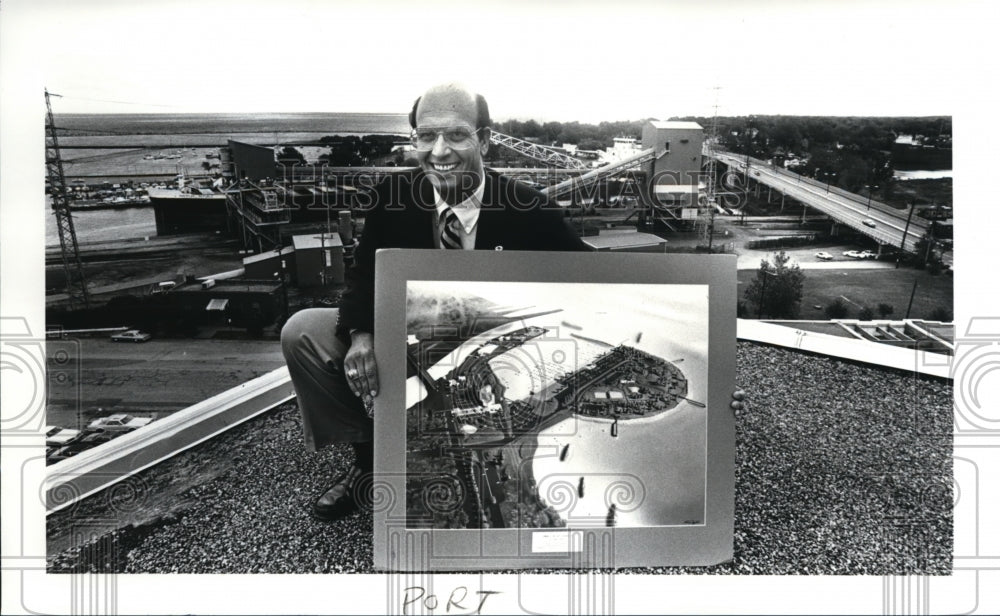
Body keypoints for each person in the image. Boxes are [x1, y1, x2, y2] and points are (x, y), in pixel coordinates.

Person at [281, 83, 589, 520]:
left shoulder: (530, 209)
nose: (439, 151)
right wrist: (360, 334)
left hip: (489, 336)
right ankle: (369, 465)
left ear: (483, 140)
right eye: (426, 136)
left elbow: (598, 276)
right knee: (302, 332)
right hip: (406, 333)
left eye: (456, 136)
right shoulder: (394, 197)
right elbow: (363, 274)